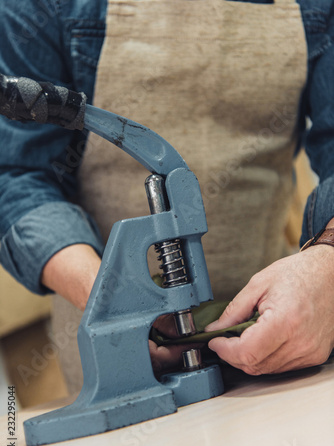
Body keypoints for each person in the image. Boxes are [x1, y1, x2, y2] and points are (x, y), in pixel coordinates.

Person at [1, 0, 334, 391]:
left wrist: (326, 266)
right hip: (119, 354)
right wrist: (110, 299)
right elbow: (17, 176)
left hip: (289, 341)